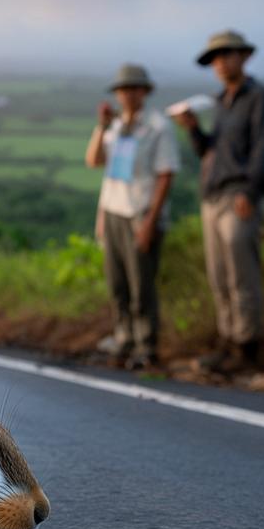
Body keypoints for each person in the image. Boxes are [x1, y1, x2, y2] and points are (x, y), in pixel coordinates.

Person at [173, 30, 264, 374]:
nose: (220, 63)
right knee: (219, 275)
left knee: (242, 274)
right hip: (214, 196)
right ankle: (229, 344)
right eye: (215, 58)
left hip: (239, 196)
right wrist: (192, 128)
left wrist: (249, 193)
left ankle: (247, 350)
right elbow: (211, 151)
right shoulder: (222, 101)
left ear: (244, 57)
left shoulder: (262, 98)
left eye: (226, 55)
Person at [86, 64, 179, 370]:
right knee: (118, 284)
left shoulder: (157, 126)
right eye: (122, 90)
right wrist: (101, 126)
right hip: (113, 211)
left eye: (132, 89)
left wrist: (150, 222)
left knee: (142, 286)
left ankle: (146, 346)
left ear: (144, 91)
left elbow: (166, 175)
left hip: (140, 214)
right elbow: (94, 161)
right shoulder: (114, 127)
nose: (126, 95)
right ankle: (124, 339)